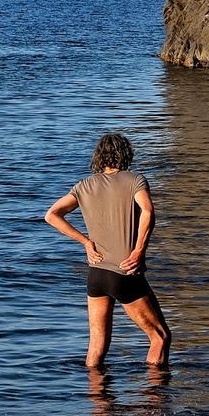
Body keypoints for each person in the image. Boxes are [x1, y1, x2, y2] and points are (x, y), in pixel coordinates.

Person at [45, 133, 171, 367]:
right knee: (160, 337)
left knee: (97, 347)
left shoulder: (84, 186)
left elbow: (51, 215)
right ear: (126, 155)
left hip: (97, 275)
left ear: (99, 157)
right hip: (124, 271)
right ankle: (155, 400)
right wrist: (138, 251)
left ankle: (97, 400)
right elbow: (148, 211)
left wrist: (85, 242)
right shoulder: (135, 180)